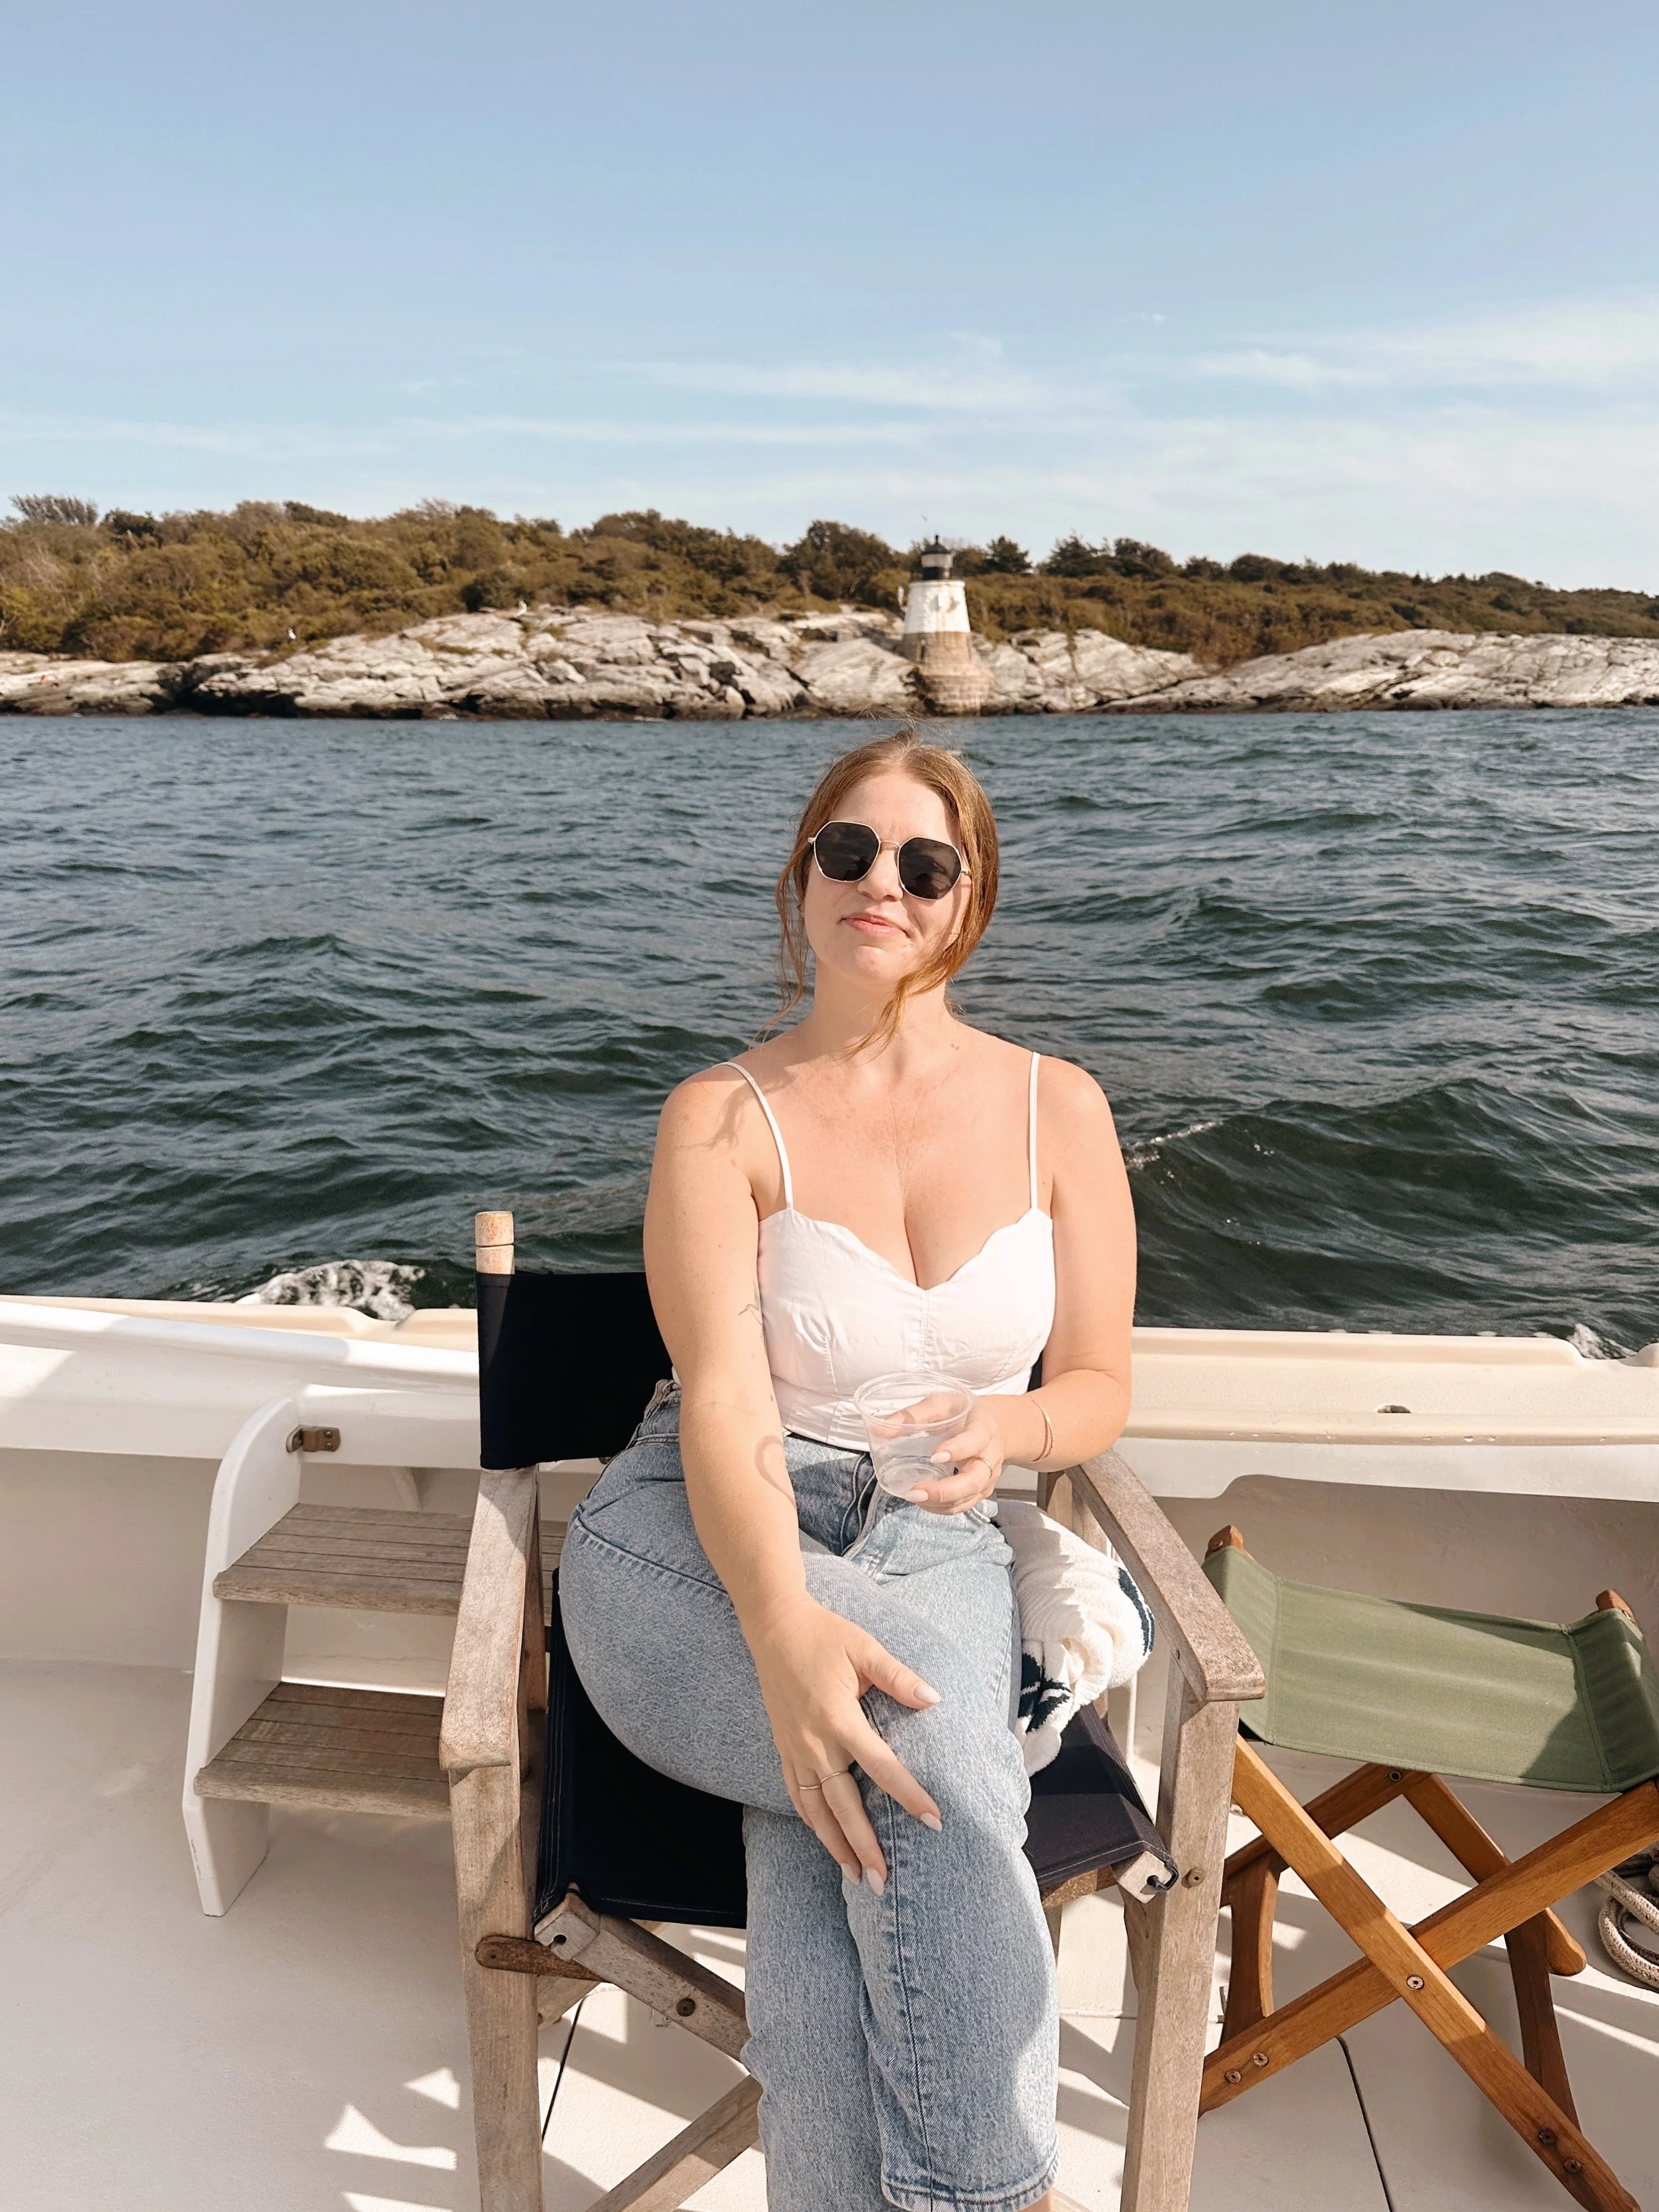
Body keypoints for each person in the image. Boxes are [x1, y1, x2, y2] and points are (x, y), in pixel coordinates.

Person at [559, 731, 1137, 2212]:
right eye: (848, 850)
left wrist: (1011, 1432)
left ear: (967, 902)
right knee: (931, 1781)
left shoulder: (1055, 1107)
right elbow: (722, 1409)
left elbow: (1095, 1388)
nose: (880, 882)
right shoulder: (719, 1115)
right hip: (698, 1537)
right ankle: (1008, 2197)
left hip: (933, 1541)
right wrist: (778, 1623)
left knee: (833, 1849)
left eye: (923, 864)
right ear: (802, 876)